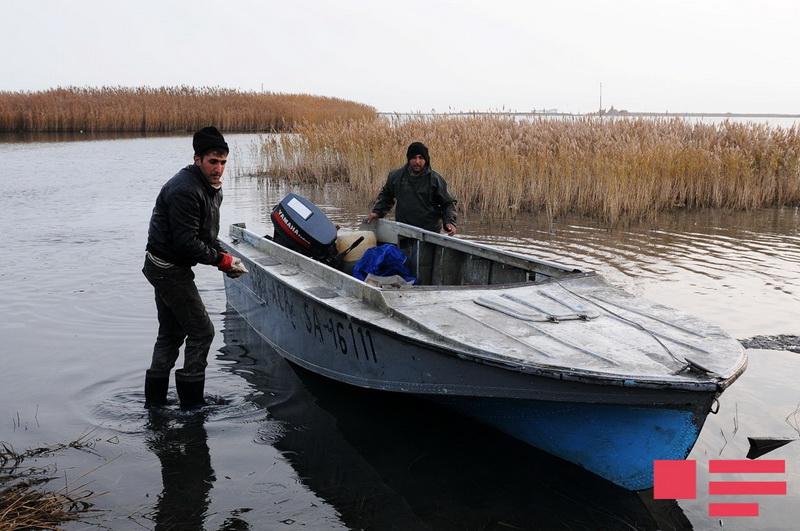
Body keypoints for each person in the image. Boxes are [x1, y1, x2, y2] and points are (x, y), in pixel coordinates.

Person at [142, 126, 246, 410]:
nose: (219, 169)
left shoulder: (211, 188)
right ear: (197, 159)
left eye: (223, 162)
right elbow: (187, 242)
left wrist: (225, 257)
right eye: (213, 161)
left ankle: (155, 405)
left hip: (165, 266)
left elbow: (206, 237)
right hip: (167, 268)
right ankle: (191, 406)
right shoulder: (185, 190)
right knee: (202, 332)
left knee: (172, 333)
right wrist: (221, 261)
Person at [365, 141, 457, 235]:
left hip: (429, 233)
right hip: (403, 230)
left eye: (421, 158)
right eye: (414, 158)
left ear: (426, 160)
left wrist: (449, 221)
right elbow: (386, 196)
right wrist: (377, 212)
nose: (417, 162)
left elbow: (448, 203)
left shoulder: (435, 179)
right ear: (409, 159)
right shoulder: (396, 177)